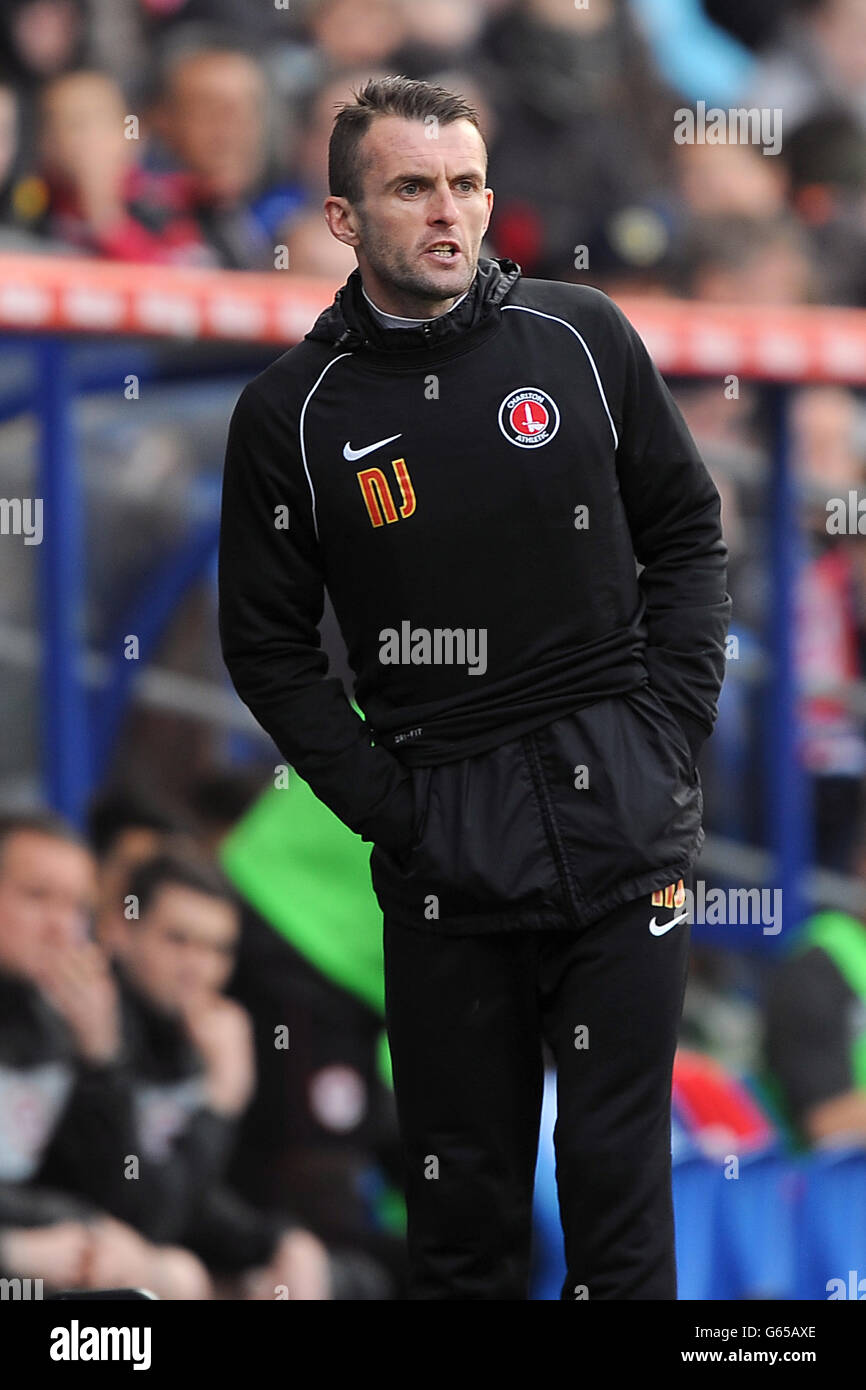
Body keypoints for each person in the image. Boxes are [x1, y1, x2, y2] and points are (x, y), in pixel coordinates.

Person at [217, 75, 730, 1300]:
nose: (447, 213)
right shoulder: (290, 414)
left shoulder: (578, 336)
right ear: (345, 217)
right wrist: (399, 816)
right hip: (449, 867)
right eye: (410, 188)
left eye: (463, 186)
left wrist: (663, 735)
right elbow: (267, 649)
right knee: (462, 1223)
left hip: (621, 837)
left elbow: (687, 533)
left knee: (617, 1207)